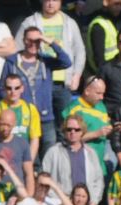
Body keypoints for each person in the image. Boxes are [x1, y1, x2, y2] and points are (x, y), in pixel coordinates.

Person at [14, 0, 85, 131]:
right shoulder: (29, 22)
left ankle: (62, 152)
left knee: (65, 126)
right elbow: (17, 50)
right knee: (37, 126)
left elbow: (79, 50)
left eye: (55, 0)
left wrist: (77, 75)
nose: (51, 3)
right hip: (38, 83)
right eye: (47, 0)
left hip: (63, 84)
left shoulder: (69, 23)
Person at [1, 26, 72, 157]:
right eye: (30, 40)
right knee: (25, 154)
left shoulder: (45, 61)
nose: (33, 44)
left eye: (37, 41)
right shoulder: (12, 62)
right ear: (23, 40)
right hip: (22, 116)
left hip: (45, 116)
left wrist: (50, 42)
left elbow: (66, 62)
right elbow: (2, 89)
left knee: (49, 152)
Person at [42, 115, 105, 205]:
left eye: (77, 129)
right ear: (64, 131)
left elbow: (99, 180)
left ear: (82, 132)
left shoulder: (91, 153)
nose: (72, 132)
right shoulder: (53, 152)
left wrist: (94, 200)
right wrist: (60, 200)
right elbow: (45, 180)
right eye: (69, 129)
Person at [63, 75, 112, 177]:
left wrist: (113, 129)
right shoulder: (74, 109)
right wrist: (96, 133)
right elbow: (69, 138)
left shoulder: (101, 106)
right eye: (98, 93)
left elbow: (104, 128)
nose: (101, 97)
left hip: (99, 163)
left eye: (103, 93)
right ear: (87, 91)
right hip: (82, 165)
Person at [0, 73, 41, 164]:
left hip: (24, 157)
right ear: (4, 89)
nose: (13, 92)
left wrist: (29, 162)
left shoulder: (30, 109)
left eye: (16, 88)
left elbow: (34, 139)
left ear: (22, 88)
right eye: (9, 88)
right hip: (2, 158)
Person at [84, 0, 121, 75]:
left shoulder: (114, 21)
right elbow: (99, 59)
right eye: (116, 4)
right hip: (104, 74)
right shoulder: (99, 25)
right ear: (105, 2)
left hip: (114, 71)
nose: (119, 8)